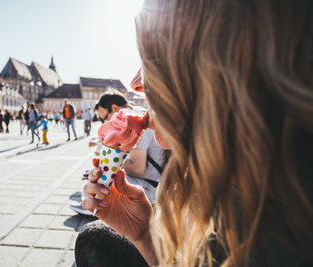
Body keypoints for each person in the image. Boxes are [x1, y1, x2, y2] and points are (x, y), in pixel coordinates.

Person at [77, 1, 313, 266]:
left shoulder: (278, 244)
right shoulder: (217, 182)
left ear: (219, 65)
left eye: (152, 57)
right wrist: (144, 233)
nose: (136, 82)